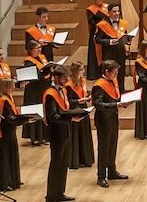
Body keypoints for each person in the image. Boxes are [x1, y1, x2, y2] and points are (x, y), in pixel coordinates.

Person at [44, 64, 84, 202]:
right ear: (55, 78)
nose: (65, 80)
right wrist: (71, 118)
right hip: (56, 133)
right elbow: (53, 116)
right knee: (56, 164)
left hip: (65, 130)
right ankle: (51, 196)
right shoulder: (50, 94)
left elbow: (65, 108)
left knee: (63, 164)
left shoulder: (62, 91)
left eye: (66, 78)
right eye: (63, 78)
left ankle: (60, 192)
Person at [91, 61, 130, 188]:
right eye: (114, 72)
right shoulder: (99, 86)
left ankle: (112, 171)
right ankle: (101, 176)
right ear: (106, 71)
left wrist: (122, 102)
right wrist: (115, 104)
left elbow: (114, 97)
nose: (116, 74)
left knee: (112, 146)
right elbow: (98, 104)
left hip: (113, 118)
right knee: (103, 148)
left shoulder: (112, 81)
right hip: (103, 120)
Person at [0, 78, 28, 193]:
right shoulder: (3, 100)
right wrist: (24, 120)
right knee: (5, 157)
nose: (13, 88)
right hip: (4, 132)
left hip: (10, 132)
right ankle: (5, 182)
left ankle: (13, 179)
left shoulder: (8, 98)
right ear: (5, 87)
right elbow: (8, 119)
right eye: (11, 86)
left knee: (11, 155)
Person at [93, 2, 131, 88]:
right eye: (114, 11)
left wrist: (128, 40)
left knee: (121, 76)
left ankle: (121, 95)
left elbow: (124, 36)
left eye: (118, 11)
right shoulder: (102, 25)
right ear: (109, 13)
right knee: (110, 78)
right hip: (109, 55)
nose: (117, 13)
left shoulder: (123, 23)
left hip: (121, 53)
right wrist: (110, 41)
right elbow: (97, 40)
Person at [65, 62, 95, 169]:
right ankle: (76, 160)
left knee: (84, 133)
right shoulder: (69, 85)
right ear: (74, 71)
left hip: (83, 108)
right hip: (75, 109)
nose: (83, 72)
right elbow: (68, 101)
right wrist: (79, 100)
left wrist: (88, 98)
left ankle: (85, 158)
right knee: (76, 135)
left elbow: (84, 94)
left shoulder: (83, 81)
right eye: (81, 70)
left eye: (83, 69)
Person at [20, 40, 50, 145]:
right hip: (33, 91)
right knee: (35, 111)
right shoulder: (28, 61)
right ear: (30, 50)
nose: (39, 49)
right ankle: (35, 137)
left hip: (43, 88)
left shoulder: (42, 57)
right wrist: (44, 76)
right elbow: (30, 76)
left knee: (43, 110)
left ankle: (44, 136)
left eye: (40, 47)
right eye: (37, 48)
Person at [84, 0, 107, 69]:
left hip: (106, 32)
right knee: (95, 53)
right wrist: (101, 21)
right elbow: (91, 22)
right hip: (96, 33)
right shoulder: (91, 9)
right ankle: (95, 72)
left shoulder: (106, 7)